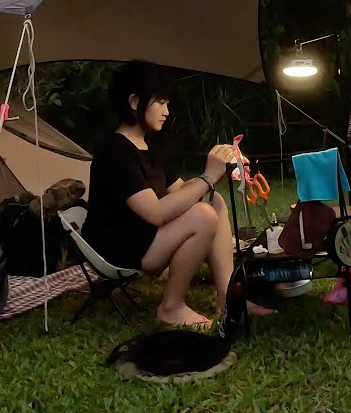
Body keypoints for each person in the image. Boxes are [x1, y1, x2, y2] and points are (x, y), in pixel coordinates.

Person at [82, 61, 275, 328]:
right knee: (202, 216)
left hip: (145, 238)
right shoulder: (115, 151)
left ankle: (229, 297)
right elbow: (155, 213)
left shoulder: (147, 147)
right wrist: (208, 176)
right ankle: (171, 307)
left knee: (213, 201)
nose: (167, 111)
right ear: (135, 102)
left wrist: (218, 168)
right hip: (122, 247)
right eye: (160, 103)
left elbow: (183, 191)